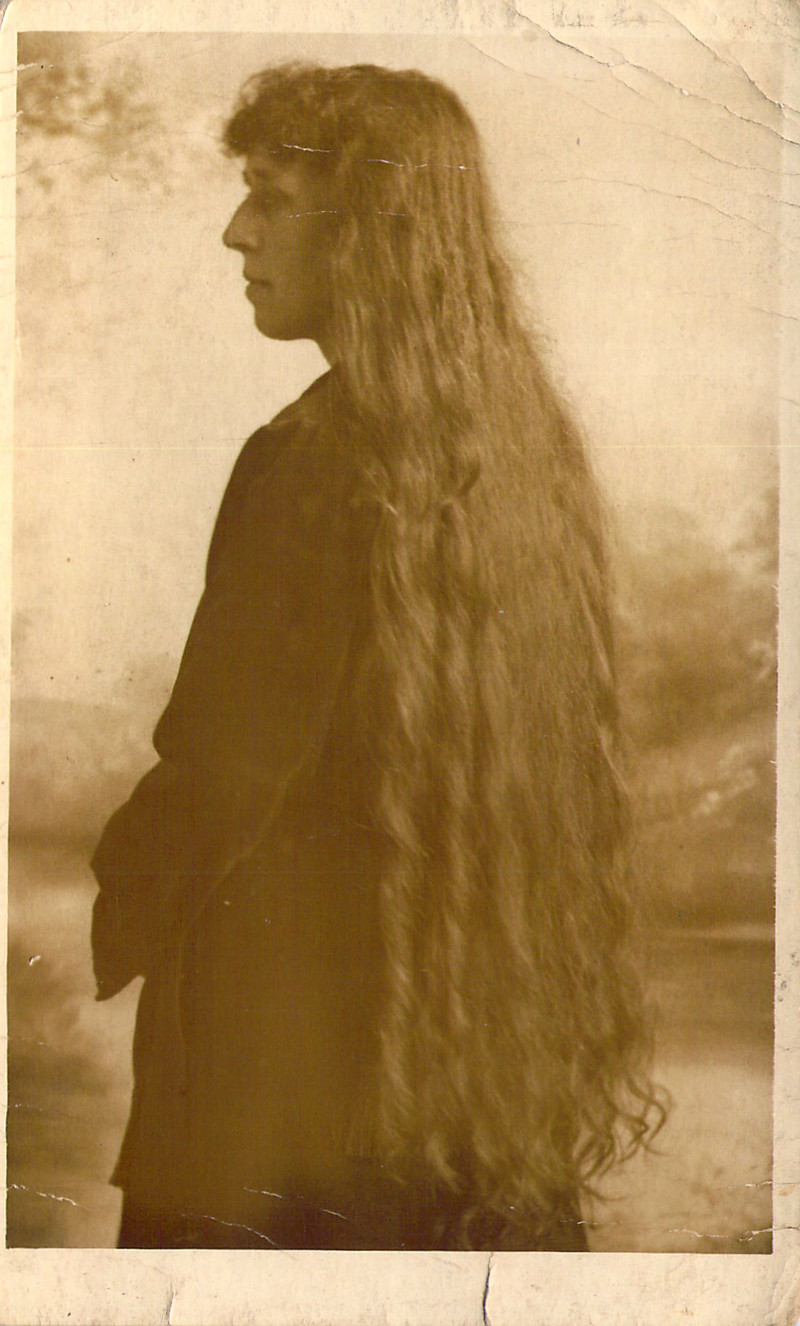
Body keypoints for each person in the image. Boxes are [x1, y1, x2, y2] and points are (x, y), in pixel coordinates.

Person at [90, 61, 663, 1251]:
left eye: (270, 198)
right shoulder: (521, 443)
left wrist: (125, 880)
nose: (236, 233)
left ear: (366, 233)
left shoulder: (309, 459)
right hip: (454, 1026)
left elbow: (221, 774)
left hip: (271, 1064)